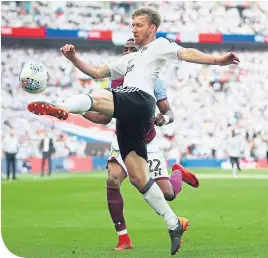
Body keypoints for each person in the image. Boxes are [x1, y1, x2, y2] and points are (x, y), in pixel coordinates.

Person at [28, 7, 240, 255]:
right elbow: (97, 72)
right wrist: (74, 58)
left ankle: (60, 108)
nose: (134, 29)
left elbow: (186, 53)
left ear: (152, 28)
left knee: (98, 98)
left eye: (139, 25)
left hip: (140, 100)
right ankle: (174, 224)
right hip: (131, 119)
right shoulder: (128, 61)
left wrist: (218, 61)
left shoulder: (160, 45)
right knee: (140, 179)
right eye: (132, 25)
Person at [81, 38, 199, 250]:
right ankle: (123, 238)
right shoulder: (114, 80)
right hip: (122, 141)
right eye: (125, 49)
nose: (127, 52)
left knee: (168, 194)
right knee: (113, 180)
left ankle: (178, 172)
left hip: (147, 144)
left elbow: (168, 111)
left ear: (141, 53)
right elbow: (103, 118)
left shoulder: (153, 79)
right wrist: (78, 111)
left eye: (132, 49)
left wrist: (164, 118)